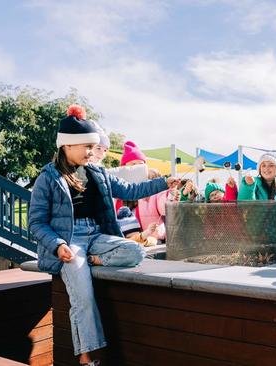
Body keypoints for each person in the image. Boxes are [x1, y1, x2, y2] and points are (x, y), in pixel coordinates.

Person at [28, 105, 177, 366]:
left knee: (136, 250)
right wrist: (57, 244)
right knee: (83, 296)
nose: (91, 152)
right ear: (67, 146)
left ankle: (93, 260)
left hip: (96, 236)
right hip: (69, 241)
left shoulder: (98, 173)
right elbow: (37, 222)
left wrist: (164, 183)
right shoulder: (48, 177)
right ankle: (87, 358)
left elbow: (131, 190)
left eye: (92, 146)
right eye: (85, 146)